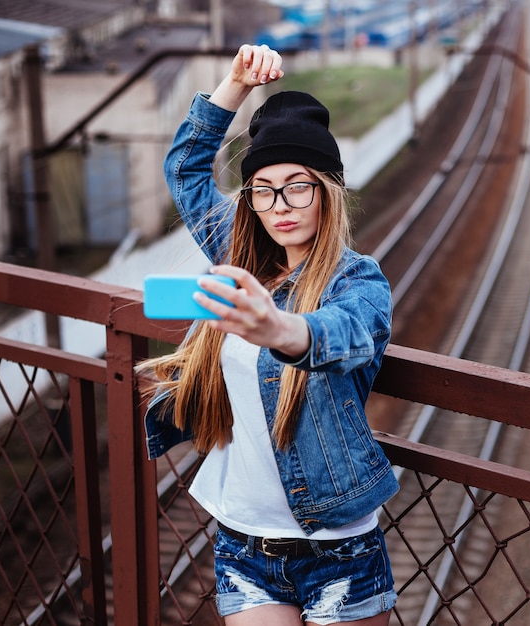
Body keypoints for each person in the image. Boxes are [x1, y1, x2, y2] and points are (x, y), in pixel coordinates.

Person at [140, 43, 399, 625]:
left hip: (337, 548)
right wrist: (233, 86)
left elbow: (347, 334)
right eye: (263, 188)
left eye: (298, 185)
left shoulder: (356, 279)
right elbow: (184, 168)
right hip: (243, 542)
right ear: (251, 199)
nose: (280, 204)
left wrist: (277, 327)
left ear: (327, 191)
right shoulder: (240, 256)